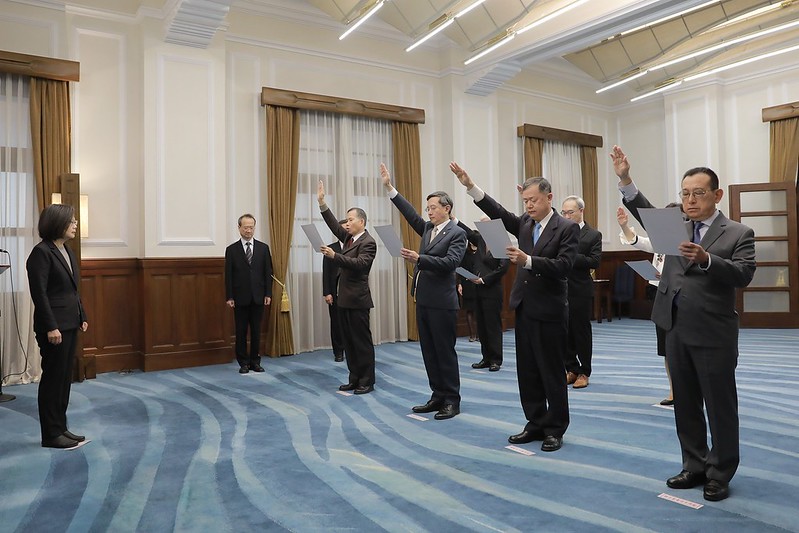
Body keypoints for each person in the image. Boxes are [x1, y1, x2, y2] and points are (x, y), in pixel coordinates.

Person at [611, 145, 755, 501]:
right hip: (674, 326)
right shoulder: (674, 227)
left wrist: (707, 260)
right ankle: (694, 464)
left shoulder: (738, 232)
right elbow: (644, 211)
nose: (690, 200)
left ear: (717, 195)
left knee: (720, 407)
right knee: (686, 403)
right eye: (685, 193)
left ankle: (720, 472)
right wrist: (626, 179)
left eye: (698, 193)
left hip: (713, 331)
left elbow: (743, 274)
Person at [450, 162, 578, 452]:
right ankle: (535, 422)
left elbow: (564, 266)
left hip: (550, 309)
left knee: (551, 371)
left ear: (549, 197)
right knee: (528, 370)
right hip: (524, 306)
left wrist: (528, 261)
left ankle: (555, 428)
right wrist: (470, 186)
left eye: (534, 200)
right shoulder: (525, 224)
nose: (529, 206)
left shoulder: (567, 228)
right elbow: (498, 212)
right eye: (525, 201)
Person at [380, 163, 467, 420]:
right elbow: (410, 214)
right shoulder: (429, 229)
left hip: (443, 303)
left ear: (447, 208)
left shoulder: (457, 233)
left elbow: (451, 263)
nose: (428, 212)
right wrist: (390, 188)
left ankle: (451, 400)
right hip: (424, 300)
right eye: (427, 208)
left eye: (433, 208)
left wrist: (420, 258)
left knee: (444, 352)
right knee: (429, 352)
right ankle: (437, 395)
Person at [26, 204, 89, 449]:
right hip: (53, 327)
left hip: (70, 323)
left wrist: (81, 315)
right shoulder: (41, 253)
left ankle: (61, 427)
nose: (75, 224)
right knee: (53, 380)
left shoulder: (66, 250)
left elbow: (72, 289)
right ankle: (51, 434)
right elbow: (39, 294)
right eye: (71, 221)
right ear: (58, 223)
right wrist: (51, 326)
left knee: (64, 379)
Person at [617, 204, 680, 405]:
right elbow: (639, 242)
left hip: (680, 299)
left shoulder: (687, 243)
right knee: (666, 348)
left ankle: (690, 390)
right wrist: (624, 226)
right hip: (659, 295)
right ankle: (673, 391)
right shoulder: (660, 241)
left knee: (681, 346)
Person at [317, 181, 377, 394]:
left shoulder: (368, 242)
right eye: (347, 220)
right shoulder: (349, 238)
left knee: (361, 342)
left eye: (351, 220)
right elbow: (334, 225)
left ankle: (367, 381)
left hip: (358, 300)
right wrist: (322, 203)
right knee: (349, 342)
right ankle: (354, 378)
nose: (347, 223)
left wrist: (335, 256)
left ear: (361, 221)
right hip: (344, 299)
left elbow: (360, 264)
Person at [560, 196, 602, 389]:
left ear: (581, 211)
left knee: (581, 332)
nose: (567, 216)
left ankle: (584, 371)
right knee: (565, 331)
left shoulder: (593, 235)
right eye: (564, 213)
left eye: (570, 212)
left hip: (580, 289)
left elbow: (594, 261)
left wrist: (570, 256)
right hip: (560, 288)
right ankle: (571, 368)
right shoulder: (560, 233)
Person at [225, 214, 273, 374]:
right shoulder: (231, 250)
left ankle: (255, 361)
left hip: (259, 296)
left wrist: (268, 294)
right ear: (239, 228)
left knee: (256, 331)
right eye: (245, 227)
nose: (248, 230)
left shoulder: (263, 248)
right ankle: (243, 362)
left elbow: (268, 273)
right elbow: (228, 275)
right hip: (240, 297)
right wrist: (229, 296)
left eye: (251, 227)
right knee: (241, 331)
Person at [461, 221, 509, 372]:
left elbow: (503, 268)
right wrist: (453, 219)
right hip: (477, 290)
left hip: (492, 290)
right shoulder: (480, 240)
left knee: (492, 326)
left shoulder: (500, 242)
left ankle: (495, 359)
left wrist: (484, 280)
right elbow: (468, 232)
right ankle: (486, 358)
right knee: (481, 325)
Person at [323, 219, 348, 363]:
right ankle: (338, 352)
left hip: (350, 292)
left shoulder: (356, 246)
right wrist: (327, 292)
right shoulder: (330, 248)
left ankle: (350, 350)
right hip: (335, 292)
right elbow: (326, 272)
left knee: (350, 324)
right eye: (342, 229)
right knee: (336, 323)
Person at [457, 237, 479, 342]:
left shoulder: (481, 253)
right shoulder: (465, 254)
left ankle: (479, 335)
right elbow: (460, 269)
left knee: (479, 311)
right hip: (468, 284)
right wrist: (460, 283)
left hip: (480, 284)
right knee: (469, 310)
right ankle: (472, 335)